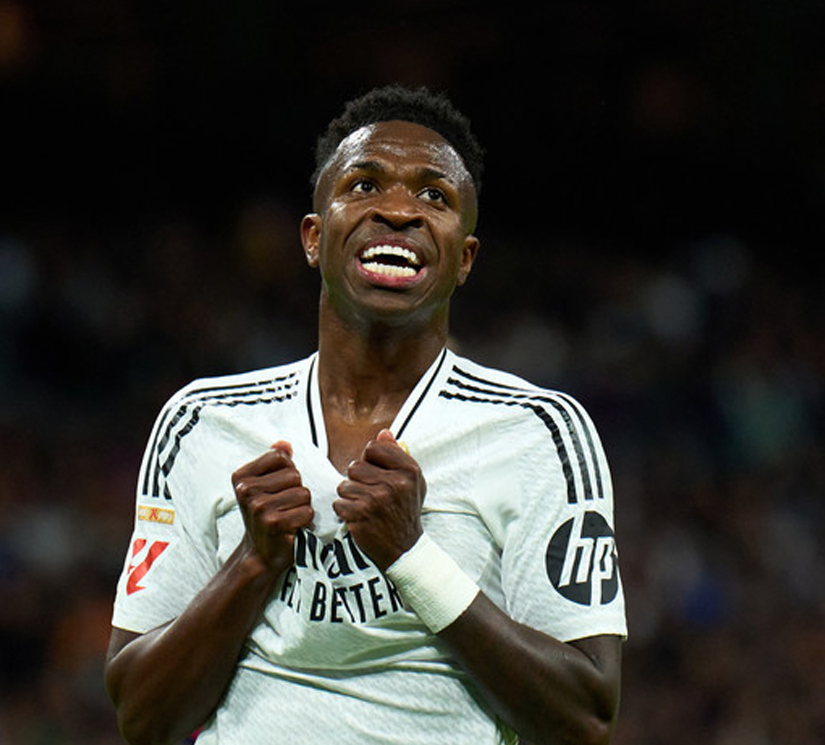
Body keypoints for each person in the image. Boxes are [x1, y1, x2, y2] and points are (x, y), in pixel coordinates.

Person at [105, 86, 625, 745]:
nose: (399, 210)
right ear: (314, 239)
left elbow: (585, 717)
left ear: (463, 259)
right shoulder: (203, 422)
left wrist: (412, 557)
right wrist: (251, 566)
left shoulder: (537, 432)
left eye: (434, 196)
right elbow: (142, 717)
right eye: (364, 184)